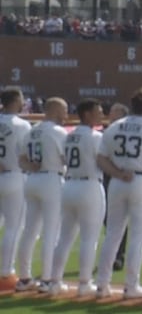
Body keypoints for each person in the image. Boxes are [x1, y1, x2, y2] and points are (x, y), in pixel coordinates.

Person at [95, 86, 142, 298]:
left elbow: (101, 158)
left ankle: (102, 284)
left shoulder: (114, 126)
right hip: (141, 180)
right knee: (137, 237)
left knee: (113, 234)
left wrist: (117, 172)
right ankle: (131, 285)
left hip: (117, 181)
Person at [47, 99, 106, 296]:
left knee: (64, 237)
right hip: (89, 185)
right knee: (89, 238)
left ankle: (54, 281)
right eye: (97, 111)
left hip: (70, 184)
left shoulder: (69, 136)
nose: (101, 114)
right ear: (87, 114)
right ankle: (84, 283)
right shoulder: (96, 136)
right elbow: (103, 160)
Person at [15, 96, 69, 292]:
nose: (66, 115)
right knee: (51, 231)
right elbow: (66, 158)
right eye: (64, 110)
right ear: (54, 110)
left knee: (29, 230)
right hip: (51, 179)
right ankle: (47, 279)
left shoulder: (32, 130)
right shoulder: (57, 132)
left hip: (32, 179)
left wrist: (32, 166)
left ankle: (24, 277)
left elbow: (21, 160)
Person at [0, 86, 33, 291]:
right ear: (15, 100)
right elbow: (27, 154)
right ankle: (5, 272)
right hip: (14, 175)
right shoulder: (22, 125)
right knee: (14, 226)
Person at [101, 103, 130, 272]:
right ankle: (113, 255)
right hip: (106, 177)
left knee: (119, 219)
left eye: (115, 114)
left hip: (120, 177)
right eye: (111, 114)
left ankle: (119, 256)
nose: (111, 117)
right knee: (108, 219)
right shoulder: (106, 132)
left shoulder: (118, 132)